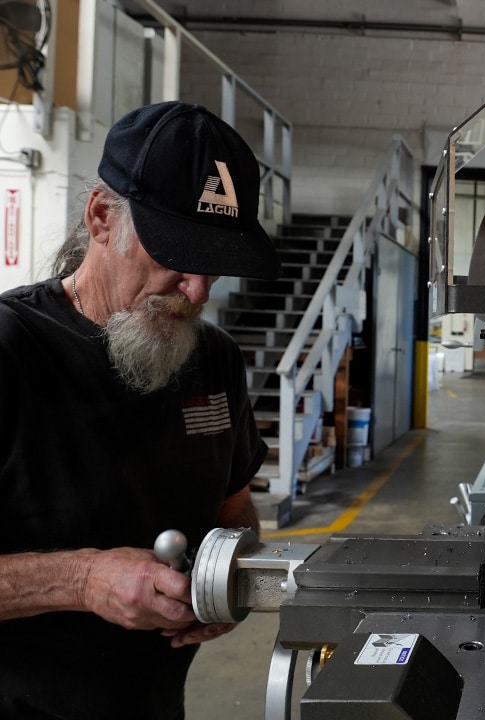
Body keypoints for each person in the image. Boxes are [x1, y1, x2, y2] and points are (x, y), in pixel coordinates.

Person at [0, 101, 281, 718]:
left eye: (216, 263)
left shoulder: (213, 359)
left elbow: (233, 507)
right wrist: (83, 580)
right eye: (177, 254)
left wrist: (225, 583)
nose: (200, 291)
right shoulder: (12, 350)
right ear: (101, 217)